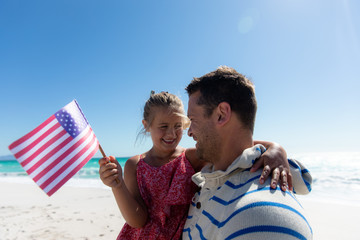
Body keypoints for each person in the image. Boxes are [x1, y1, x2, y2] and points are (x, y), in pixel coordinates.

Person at [99, 91, 310, 240]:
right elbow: (137, 220)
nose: (172, 134)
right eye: (163, 126)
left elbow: (236, 147)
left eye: (178, 126)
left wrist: (276, 148)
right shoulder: (135, 165)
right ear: (147, 126)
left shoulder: (192, 157)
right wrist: (117, 186)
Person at [182, 66, 312, 240]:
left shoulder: (259, 217)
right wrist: (274, 146)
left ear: (221, 114)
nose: (189, 132)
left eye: (193, 120)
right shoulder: (213, 180)